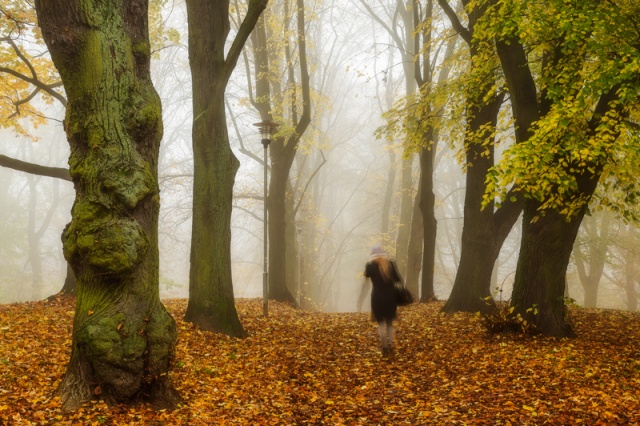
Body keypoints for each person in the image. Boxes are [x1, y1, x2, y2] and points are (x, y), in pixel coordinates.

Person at [363, 243, 402, 359]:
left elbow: (366, 276)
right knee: (389, 323)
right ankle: (391, 345)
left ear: (372, 255)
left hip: (377, 297)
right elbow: (397, 279)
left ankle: (384, 348)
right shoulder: (391, 264)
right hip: (390, 297)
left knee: (380, 323)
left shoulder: (370, 266)